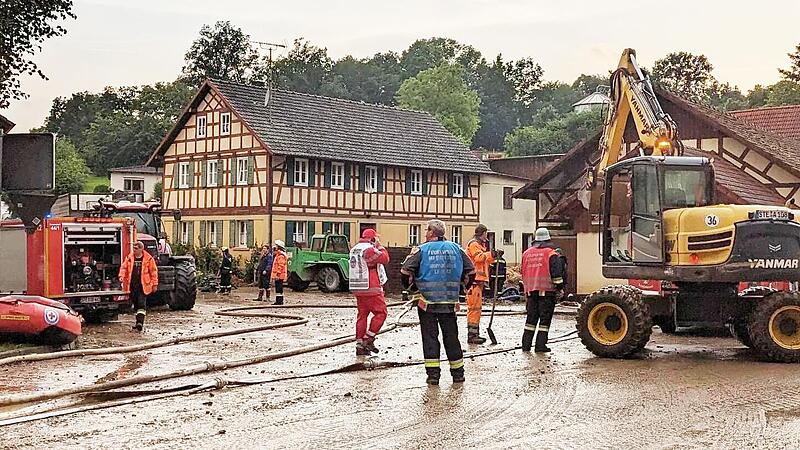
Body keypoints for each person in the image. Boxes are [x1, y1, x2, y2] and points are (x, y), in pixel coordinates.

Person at [401, 219, 475, 385]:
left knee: (430, 338)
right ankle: (458, 374)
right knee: (452, 337)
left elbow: (405, 271)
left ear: (431, 232)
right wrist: (462, 290)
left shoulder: (421, 250)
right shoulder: (457, 249)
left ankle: (433, 375)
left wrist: (412, 289)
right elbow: (471, 271)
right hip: (450, 303)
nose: (425, 233)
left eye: (426, 230)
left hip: (426, 303)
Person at [520, 227, 567, 353]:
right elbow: (556, 275)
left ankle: (526, 345)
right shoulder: (551, 254)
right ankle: (540, 346)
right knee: (544, 321)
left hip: (530, 292)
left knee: (530, 320)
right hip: (547, 292)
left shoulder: (526, 254)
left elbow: (522, 271)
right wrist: (560, 288)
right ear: (547, 240)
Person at [349, 228, 390, 356]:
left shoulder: (354, 249)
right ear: (372, 238)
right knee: (381, 313)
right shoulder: (368, 249)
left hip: (358, 287)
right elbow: (385, 258)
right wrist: (380, 246)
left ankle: (359, 345)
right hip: (371, 287)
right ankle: (368, 339)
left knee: (362, 315)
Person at [465, 224, 502, 344]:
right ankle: (472, 335)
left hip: (477, 281)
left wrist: (494, 256)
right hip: (473, 281)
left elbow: (484, 260)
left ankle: (474, 334)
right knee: (474, 308)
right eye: (486, 233)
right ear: (483, 233)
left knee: (476, 308)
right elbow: (479, 258)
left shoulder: (479, 245)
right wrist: (492, 254)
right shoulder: (474, 244)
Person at [119, 241, 159, 332]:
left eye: (136, 248)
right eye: (134, 248)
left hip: (143, 286)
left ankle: (140, 322)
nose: (134, 250)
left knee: (141, 304)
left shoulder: (148, 259)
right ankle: (138, 322)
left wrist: (155, 284)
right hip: (132, 285)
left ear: (141, 249)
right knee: (136, 304)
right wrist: (121, 276)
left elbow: (153, 272)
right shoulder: (130, 257)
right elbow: (124, 267)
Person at [271, 240, 288, 305]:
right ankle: (278, 300)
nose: (275, 247)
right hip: (279, 275)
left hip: (279, 275)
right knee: (278, 288)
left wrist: (277, 274)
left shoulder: (281, 256)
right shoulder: (279, 255)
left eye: (276, 246)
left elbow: (280, 265)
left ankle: (279, 301)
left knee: (279, 288)